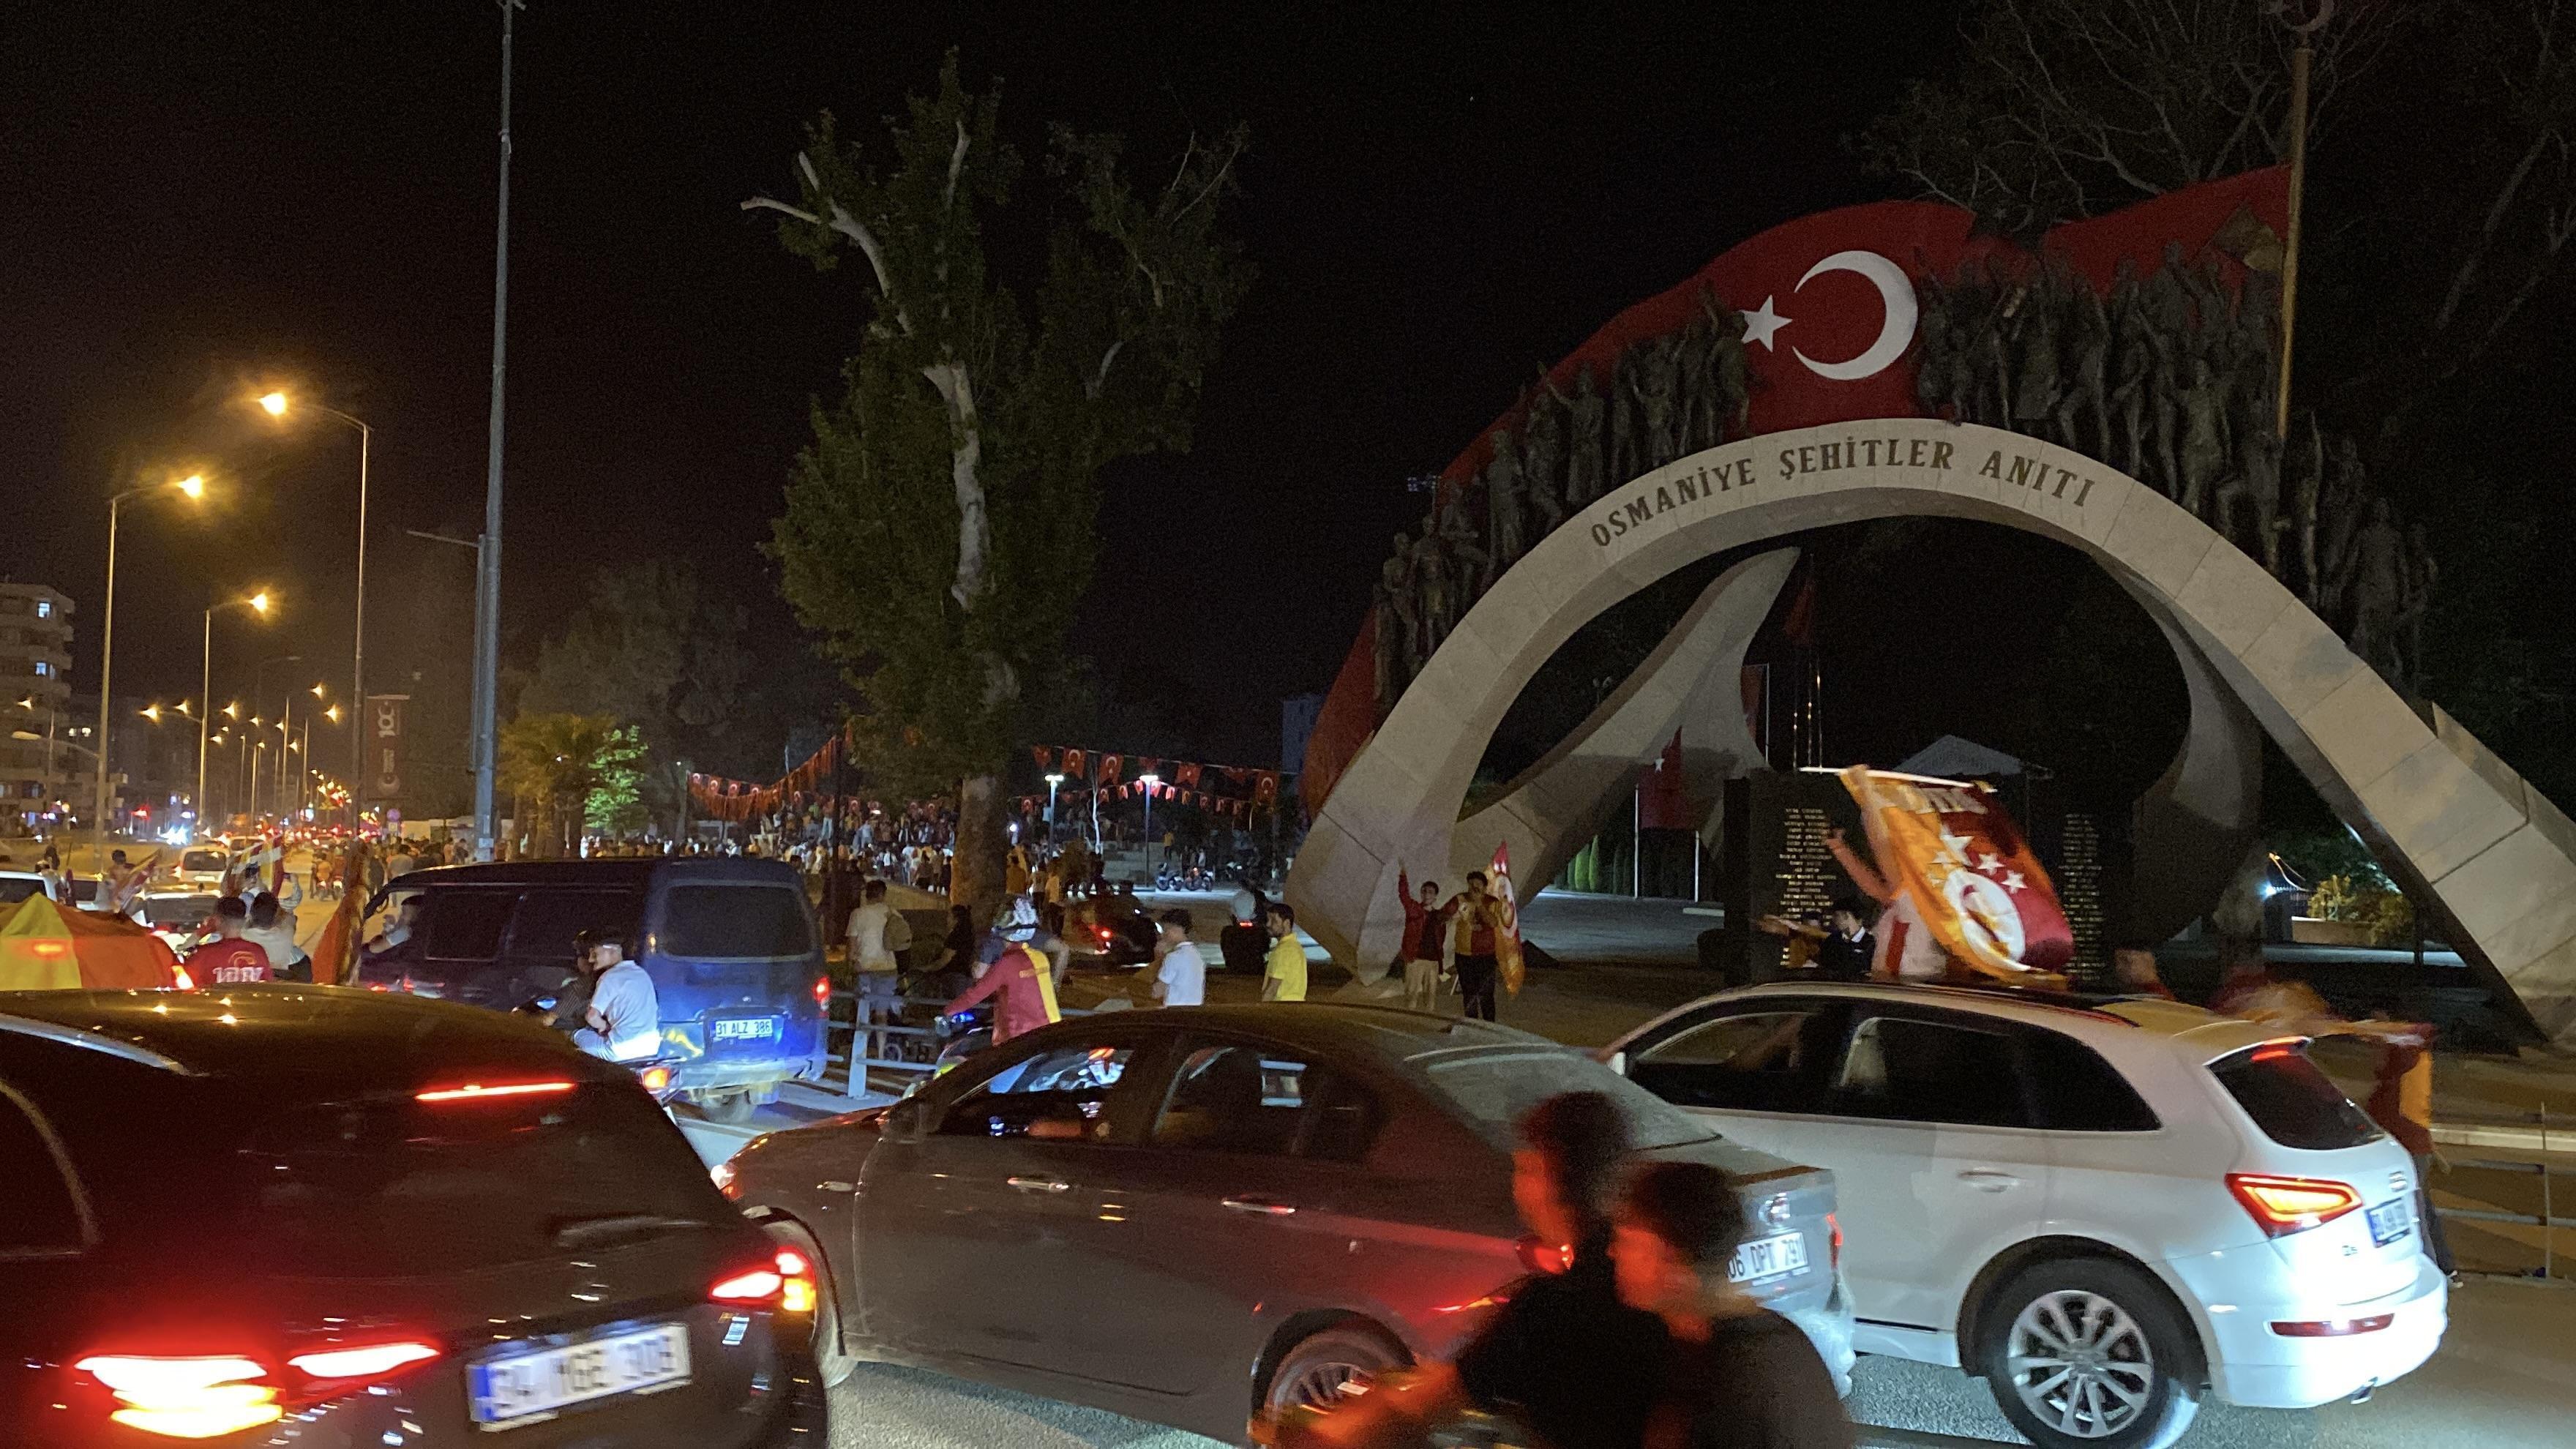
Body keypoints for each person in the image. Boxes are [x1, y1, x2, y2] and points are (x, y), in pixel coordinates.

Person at [1296, 1092, 1668, 1449]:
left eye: (1524, 1168)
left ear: (1546, 1177)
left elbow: (1422, 1409)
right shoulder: (1649, 1279)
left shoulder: (1553, 1305)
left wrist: (1319, 1436)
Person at [1614, 1161, 1855, 1449]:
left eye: (1628, 1241)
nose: (1613, 1251)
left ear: (1671, 1261)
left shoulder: (1728, 1382)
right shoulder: (1782, 1340)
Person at [945, 897, 1063, 1045]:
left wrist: (948, 1012)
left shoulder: (1007, 963)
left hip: (1022, 1037)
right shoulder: (1040, 957)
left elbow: (975, 994)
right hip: (1049, 1032)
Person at [570, 927, 662, 1062]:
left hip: (619, 1051)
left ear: (611, 950)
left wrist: (603, 1027)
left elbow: (592, 1016)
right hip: (650, 1048)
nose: (590, 959)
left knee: (575, 1035)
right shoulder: (641, 974)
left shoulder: (610, 977)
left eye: (594, 953)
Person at [1448, 872, 1505, 1021]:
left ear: (1485, 887)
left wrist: (1479, 904)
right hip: (1464, 955)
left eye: (1478, 885)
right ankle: (1471, 1023)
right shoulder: (1460, 899)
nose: (1474, 888)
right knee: (1469, 993)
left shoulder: (1492, 902)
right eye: (1471, 885)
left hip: (1485, 956)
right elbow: (1445, 915)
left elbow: (1493, 922)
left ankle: (1489, 1025)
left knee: (1486, 994)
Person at [1396, 868, 1454, 1012]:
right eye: (1424, 891)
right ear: (1421, 894)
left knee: (1430, 998)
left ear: (1435, 896)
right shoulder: (1414, 909)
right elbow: (1404, 895)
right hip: (1415, 958)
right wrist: (1403, 877)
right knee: (1411, 996)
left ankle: (1428, 1020)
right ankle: (1410, 1020)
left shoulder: (1440, 916)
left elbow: (1454, 914)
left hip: (1433, 961)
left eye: (1430, 892)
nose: (1427, 894)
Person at [846, 879, 903, 1024]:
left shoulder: (858, 914)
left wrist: (851, 962)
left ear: (867, 894)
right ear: (882, 895)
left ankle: (863, 1037)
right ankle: (881, 1038)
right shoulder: (893, 913)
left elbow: (852, 947)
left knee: (863, 1011)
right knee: (882, 1012)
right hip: (888, 968)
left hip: (864, 967)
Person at [186, 896, 273, 985]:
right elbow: (268, 985)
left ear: (217, 921)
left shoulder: (204, 954)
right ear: (244, 920)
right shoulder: (259, 952)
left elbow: (184, 979)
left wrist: (200, 933)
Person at [242, 890, 307, 983]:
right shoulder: (286, 932)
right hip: (280, 978)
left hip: (253, 979)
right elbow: (289, 917)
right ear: (275, 916)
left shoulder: (243, 934)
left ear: (252, 914)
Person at [1153, 908, 1207, 1007]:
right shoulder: (1197, 954)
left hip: (1175, 1011)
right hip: (1195, 1010)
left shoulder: (1174, 957)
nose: (1163, 935)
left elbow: (1157, 992)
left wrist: (1158, 958)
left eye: (1166, 930)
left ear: (1178, 929)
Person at [1814, 902, 1873, 982]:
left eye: (1837, 915)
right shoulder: (1831, 941)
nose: (1834, 920)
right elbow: (1823, 967)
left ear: (1848, 915)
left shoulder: (1872, 943)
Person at [1262, 902, 1307, 1003]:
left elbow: (1272, 989)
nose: (1268, 924)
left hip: (1281, 1005)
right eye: (1268, 920)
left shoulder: (1285, 950)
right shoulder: (1295, 946)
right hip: (1294, 1005)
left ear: (1286, 923)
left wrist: (1262, 1009)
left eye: (1274, 921)